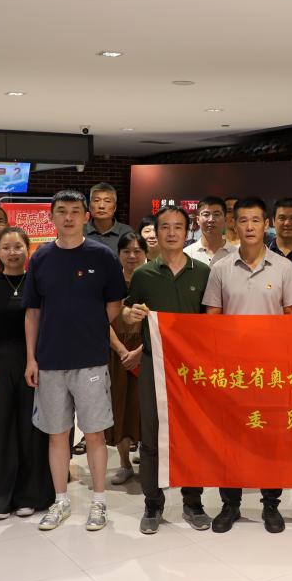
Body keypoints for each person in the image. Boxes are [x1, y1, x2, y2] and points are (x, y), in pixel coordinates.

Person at [24, 190, 127, 533]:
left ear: (86, 216)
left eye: (74, 211)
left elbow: (114, 305)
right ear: (51, 217)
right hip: (50, 360)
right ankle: (60, 500)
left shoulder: (102, 256)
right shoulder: (40, 257)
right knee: (58, 435)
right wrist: (31, 358)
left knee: (95, 434)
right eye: (61, 211)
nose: (68, 217)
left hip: (91, 360)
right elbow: (32, 313)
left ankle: (98, 502)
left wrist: (90, 328)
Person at [204, 196, 292, 533]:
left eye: (256, 220)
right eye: (243, 220)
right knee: (230, 438)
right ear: (234, 225)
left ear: (266, 225)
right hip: (233, 371)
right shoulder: (221, 268)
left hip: (271, 370)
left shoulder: (284, 267)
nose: (249, 227)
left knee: (270, 438)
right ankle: (230, 504)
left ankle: (271, 504)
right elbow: (212, 320)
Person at [122, 205, 214, 533]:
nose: (171, 232)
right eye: (165, 227)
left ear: (187, 232)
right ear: (156, 233)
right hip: (154, 365)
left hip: (192, 369)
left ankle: (193, 501)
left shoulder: (203, 272)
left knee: (193, 434)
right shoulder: (144, 274)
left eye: (178, 226)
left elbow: (212, 322)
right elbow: (128, 315)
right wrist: (130, 316)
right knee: (151, 435)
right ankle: (153, 503)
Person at [0, 227, 54, 520]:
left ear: (28, 249)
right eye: (5, 247)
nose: (12, 252)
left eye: (18, 246)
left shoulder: (39, 284)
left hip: (35, 361)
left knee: (32, 429)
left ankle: (30, 496)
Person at [107, 231, 146, 486]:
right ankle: (124, 464)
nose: (132, 256)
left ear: (145, 253)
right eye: (126, 251)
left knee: (145, 408)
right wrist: (123, 351)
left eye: (137, 251)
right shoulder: (110, 281)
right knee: (119, 406)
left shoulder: (153, 279)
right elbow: (101, 319)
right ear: (119, 254)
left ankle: (149, 458)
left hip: (148, 351)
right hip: (115, 354)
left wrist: (140, 351)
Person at [185, 196, 236, 265]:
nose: (211, 219)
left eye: (216, 214)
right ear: (198, 220)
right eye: (206, 215)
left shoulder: (236, 254)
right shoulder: (187, 254)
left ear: (225, 219)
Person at [84, 182, 133, 249]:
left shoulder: (126, 232)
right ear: (89, 207)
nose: (101, 206)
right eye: (96, 200)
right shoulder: (79, 231)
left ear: (114, 207)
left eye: (107, 201)